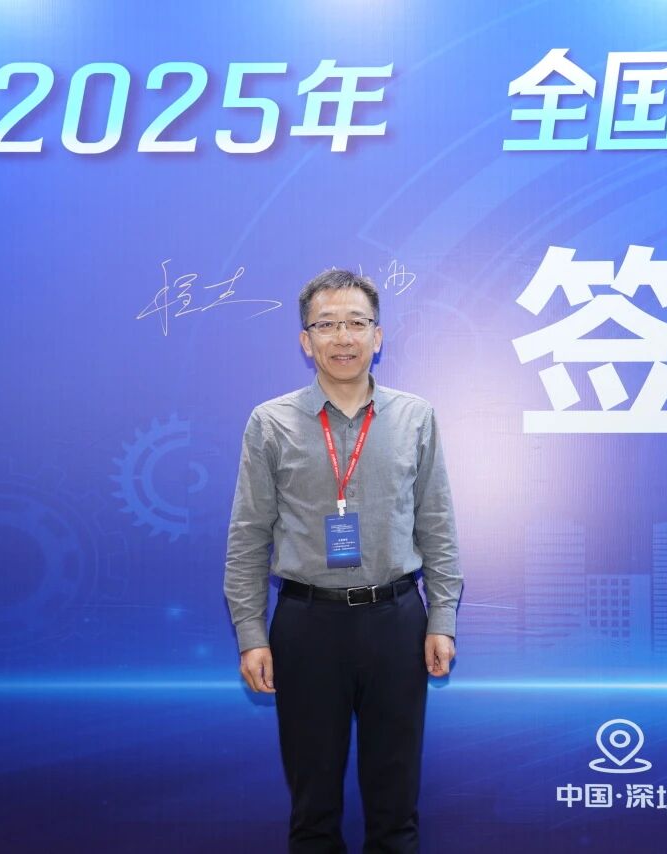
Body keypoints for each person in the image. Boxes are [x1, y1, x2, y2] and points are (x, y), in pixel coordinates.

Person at [224, 268, 462, 853]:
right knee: (313, 811)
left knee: (395, 809)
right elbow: (248, 536)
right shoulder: (271, 422)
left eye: (357, 323)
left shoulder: (415, 416)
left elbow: (436, 524)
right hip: (308, 626)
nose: (343, 337)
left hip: (396, 622)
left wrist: (442, 619)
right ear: (305, 341)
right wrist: (252, 634)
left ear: (378, 336)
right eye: (326, 325)